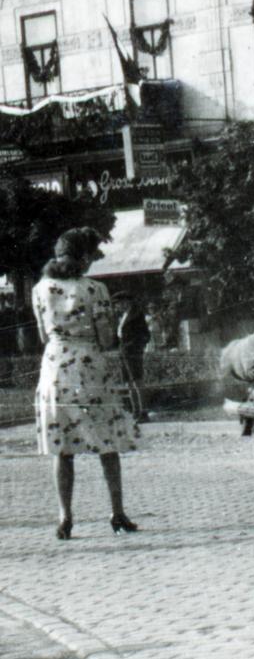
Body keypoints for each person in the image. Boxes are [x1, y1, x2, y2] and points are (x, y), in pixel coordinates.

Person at [31, 228, 141, 540]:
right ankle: (117, 512)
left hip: (54, 369)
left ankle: (65, 516)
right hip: (90, 369)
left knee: (62, 449)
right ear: (83, 258)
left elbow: (42, 335)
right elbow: (106, 338)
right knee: (107, 444)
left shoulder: (40, 289)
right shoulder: (96, 290)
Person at [113, 290, 151, 418]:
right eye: (117, 304)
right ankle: (135, 411)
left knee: (137, 381)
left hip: (132, 351)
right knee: (128, 382)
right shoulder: (123, 316)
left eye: (119, 303)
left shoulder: (136, 315)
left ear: (127, 302)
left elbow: (145, 334)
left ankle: (143, 412)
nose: (118, 306)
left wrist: (135, 346)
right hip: (123, 351)